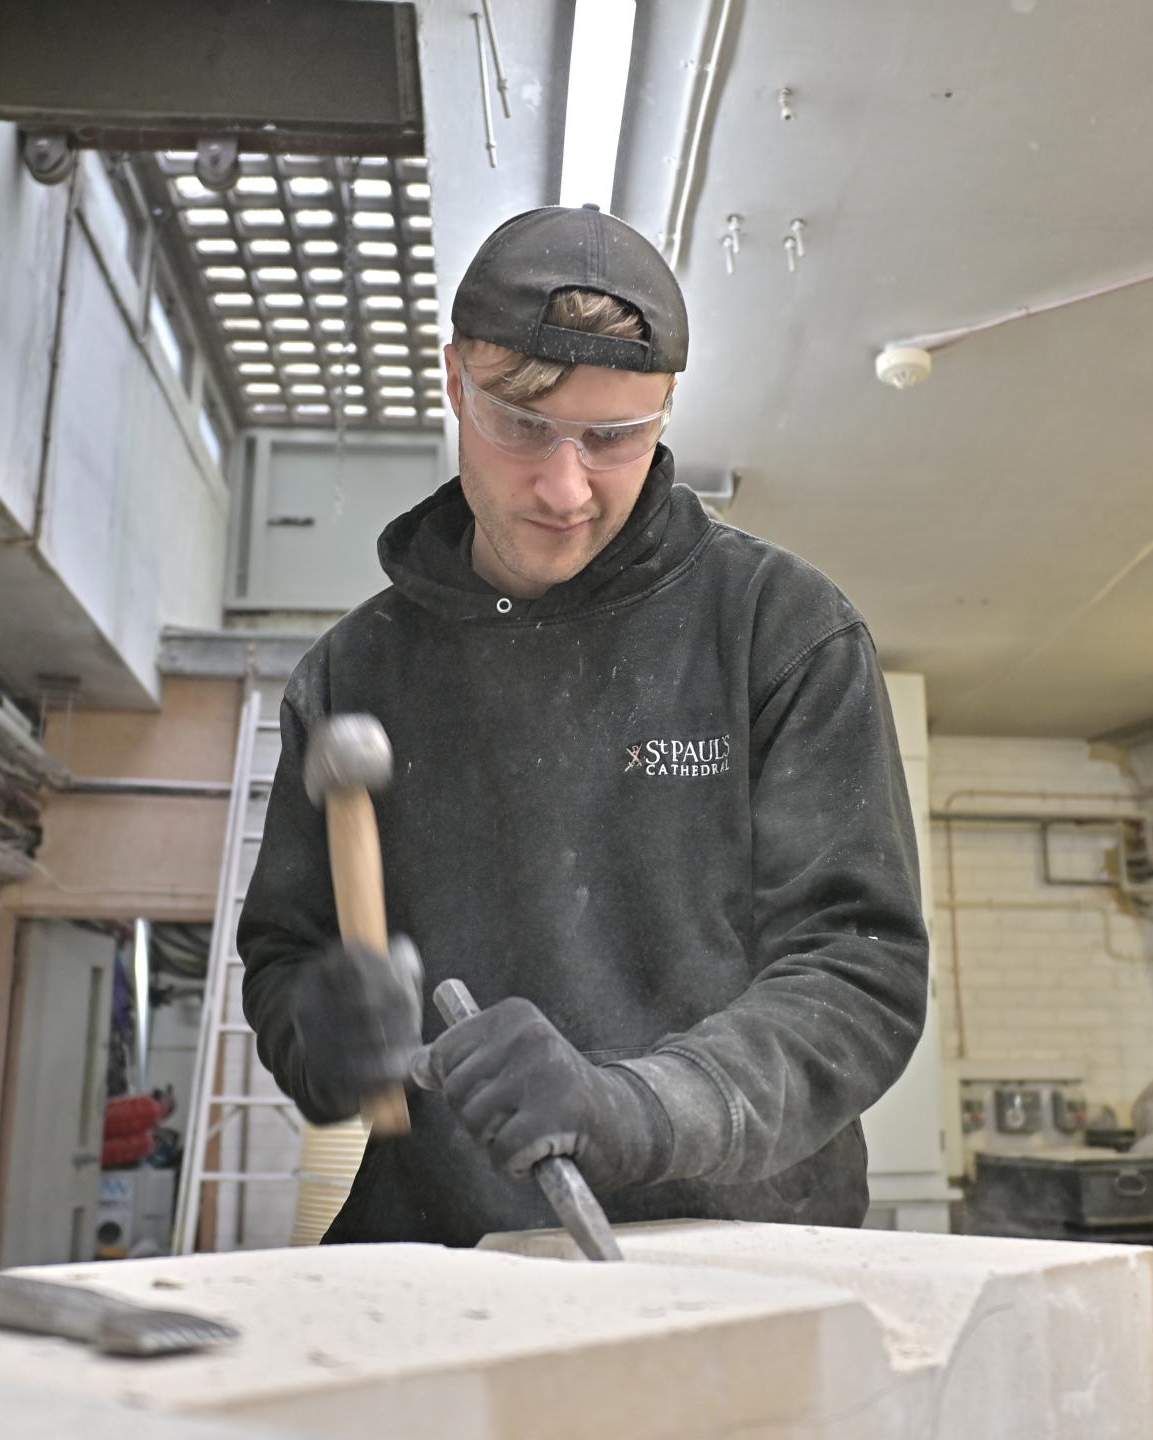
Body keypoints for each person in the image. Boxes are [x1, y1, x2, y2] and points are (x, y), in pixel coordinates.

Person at [238, 204, 928, 1246]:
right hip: (441, 1252)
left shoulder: (781, 633)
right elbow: (288, 958)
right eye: (521, 425)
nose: (565, 488)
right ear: (453, 380)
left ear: (665, 409)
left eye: (615, 438)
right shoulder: (355, 673)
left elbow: (855, 975)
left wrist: (634, 1105)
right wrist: (319, 1031)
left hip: (733, 1248)